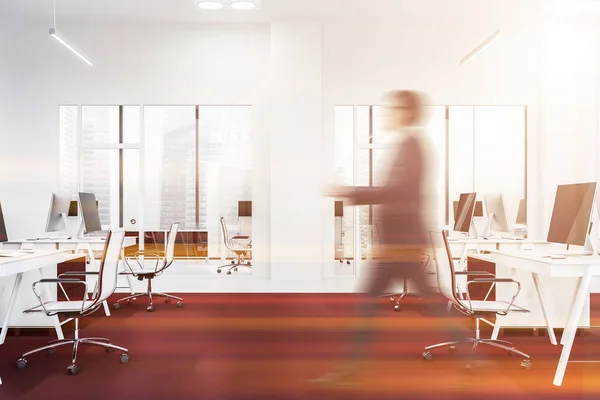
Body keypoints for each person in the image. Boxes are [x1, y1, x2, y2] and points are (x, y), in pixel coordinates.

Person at [315, 90, 463, 388]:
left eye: (393, 107)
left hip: (402, 243)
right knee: (428, 303)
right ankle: (472, 361)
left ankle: (349, 372)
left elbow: (398, 192)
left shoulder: (412, 146)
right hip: (401, 241)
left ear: (407, 111)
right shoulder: (408, 145)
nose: (387, 113)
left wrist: (349, 191)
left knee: (370, 301)